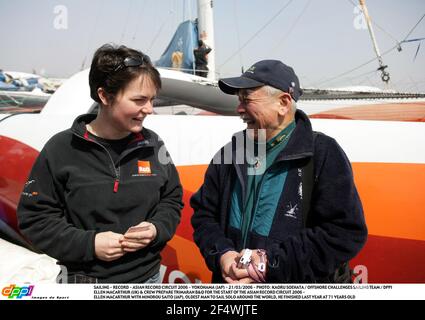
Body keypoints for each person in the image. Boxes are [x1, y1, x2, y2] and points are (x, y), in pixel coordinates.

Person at [17, 44, 183, 283]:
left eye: (152, 100)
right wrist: (90, 244)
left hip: (149, 280)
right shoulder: (61, 149)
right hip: (84, 283)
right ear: (104, 95)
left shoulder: (153, 145)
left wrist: (157, 228)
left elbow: (172, 198)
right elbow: (35, 220)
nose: (149, 109)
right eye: (139, 100)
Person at [190, 60, 367, 283]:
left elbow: (343, 233)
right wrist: (222, 254)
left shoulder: (322, 154)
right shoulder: (230, 153)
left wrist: (268, 265)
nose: (239, 108)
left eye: (247, 99)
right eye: (239, 99)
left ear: (283, 103)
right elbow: (204, 214)